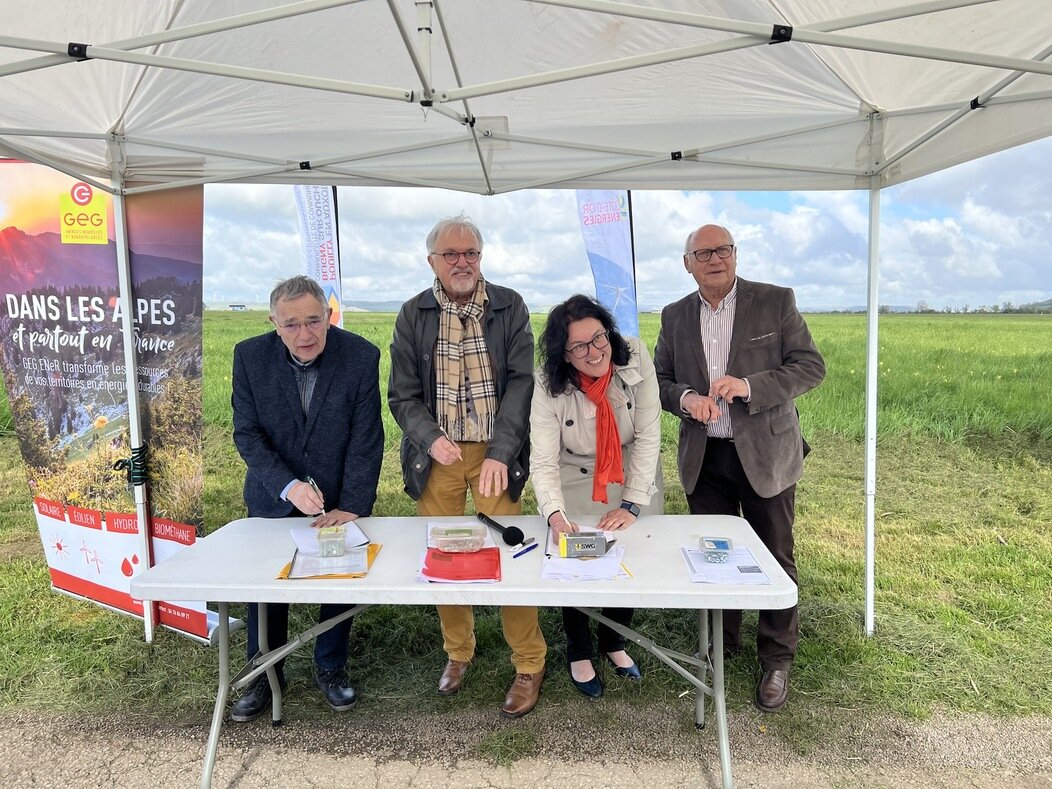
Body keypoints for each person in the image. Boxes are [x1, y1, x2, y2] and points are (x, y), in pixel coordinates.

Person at [654, 224, 825, 712]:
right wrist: (687, 399)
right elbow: (662, 381)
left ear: (735, 254)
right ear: (687, 263)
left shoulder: (775, 301)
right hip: (705, 456)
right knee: (714, 557)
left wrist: (750, 386)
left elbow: (810, 366)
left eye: (723, 249)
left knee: (775, 555)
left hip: (766, 455)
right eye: (703, 252)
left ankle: (776, 656)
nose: (715, 258)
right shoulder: (675, 315)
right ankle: (720, 646)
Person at [388, 214, 546, 718]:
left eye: (471, 253)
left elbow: (523, 382)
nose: (463, 263)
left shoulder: (509, 305)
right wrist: (430, 439)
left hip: (494, 454)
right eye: (451, 254)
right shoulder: (413, 314)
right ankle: (458, 652)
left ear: (481, 257)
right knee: (445, 557)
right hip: (438, 456)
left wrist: (502, 450)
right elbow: (402, 394)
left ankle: (529, 661)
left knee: (511, 555)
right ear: (431, 260)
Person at [230, 275, 384, 722]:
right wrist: (287, 485)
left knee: (339, 581)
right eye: (291, 324)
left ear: (329, 317)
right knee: (265, 588)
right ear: (273, 323)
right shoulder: (250, 357)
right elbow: (248, 433)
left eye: (314, 321)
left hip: (338, 498)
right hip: (272, 494)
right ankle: (263, 671)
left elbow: (366, 437)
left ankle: (331, 665)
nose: (305, 334)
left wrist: (353, 501)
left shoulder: (359, 356)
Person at [531, 295, 663, 699]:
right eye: (579, 346)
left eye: (599, 338)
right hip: (575, 475)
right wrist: (554, 513)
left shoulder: (635, 357)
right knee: (575, 558)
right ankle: (579, 646)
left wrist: (632, 503)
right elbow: (543, 457)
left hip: (630, 472)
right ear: (564, 355)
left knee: (631, 555)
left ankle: (614, 640)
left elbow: (648, 435)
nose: (594, 351)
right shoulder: (546, 381)